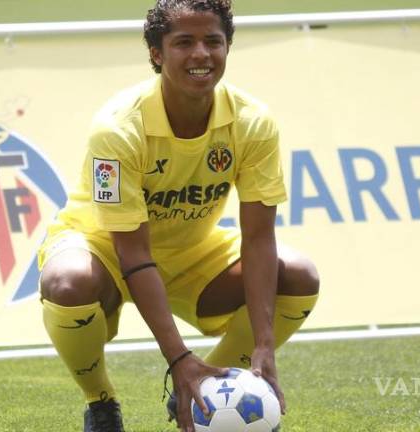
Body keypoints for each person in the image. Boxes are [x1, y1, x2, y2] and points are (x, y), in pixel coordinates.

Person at [37, 1, 319, 431]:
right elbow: (132, 252)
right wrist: (178, 357)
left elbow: (260, 237)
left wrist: (265, 343)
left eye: (213, 41)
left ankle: (208, 386)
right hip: (104, 249)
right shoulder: (117, 129)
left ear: (227, 47)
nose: (201, 54)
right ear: (157, 53)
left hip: (190, 251)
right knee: (67, 282)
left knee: (298, 275)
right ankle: (101, 403)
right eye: (184, 42)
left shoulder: (253, 122)